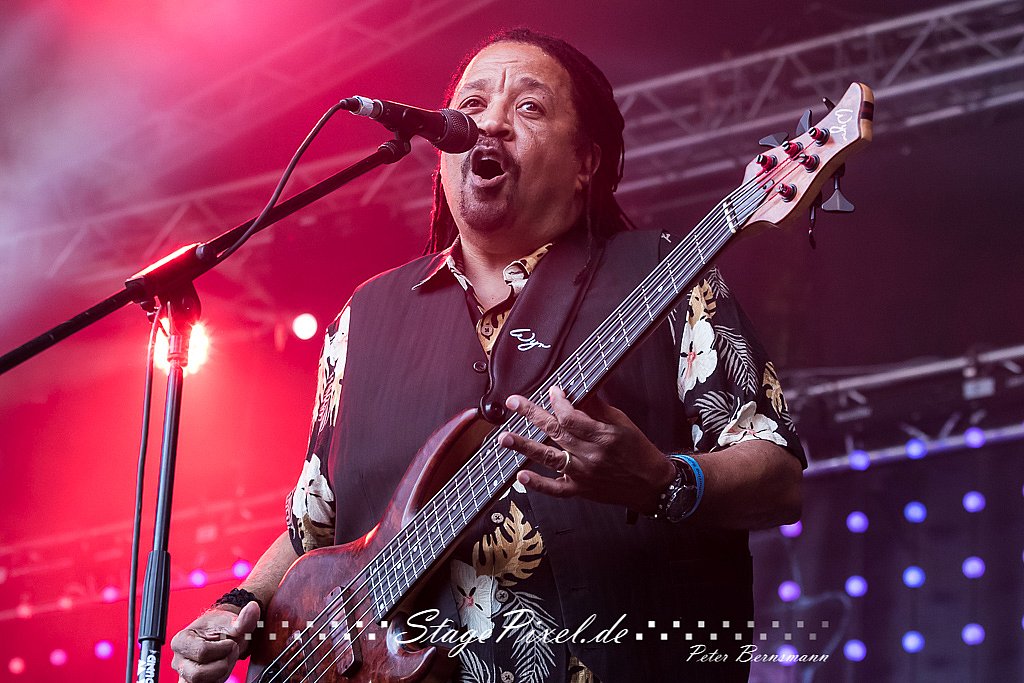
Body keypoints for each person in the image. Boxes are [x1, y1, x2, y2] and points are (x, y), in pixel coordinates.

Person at [171, 28, 804, 683]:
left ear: (586, 163)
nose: (490, 123)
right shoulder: (363, 317)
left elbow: (780, 479)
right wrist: (236, 607)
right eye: (471, 106)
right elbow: (313, 530)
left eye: (529, 108)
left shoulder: (668, 274)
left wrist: (663, 480)